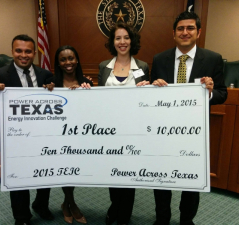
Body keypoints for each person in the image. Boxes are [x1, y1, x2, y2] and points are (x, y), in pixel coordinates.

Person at [151, 11, 228, 225]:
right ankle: (162, 219)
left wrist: (210, 91)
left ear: (198, 32)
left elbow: (223, 93)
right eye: (180, 29)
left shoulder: (213, 59)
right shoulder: (160, 59)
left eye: (190, 28)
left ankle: (186, 220)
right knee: (161, 179)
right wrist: (153, 87)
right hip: (164, 131)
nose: (185, 32)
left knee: (191, 182)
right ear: (173, 33)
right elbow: (151, 96)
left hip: (195, 133)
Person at [0, 34, 54, 225]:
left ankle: (41, 205)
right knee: (18, 179)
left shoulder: (45, 75)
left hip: (42, 137)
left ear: (34, 52)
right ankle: (22, 216)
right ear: (12, 51)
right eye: (19, 50)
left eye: (27, 51)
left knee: (45, 174)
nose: (23, 55)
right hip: (13, 139)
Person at [98, 22, 149, 225]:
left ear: (132, 40)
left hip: (133, 131)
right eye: (118, 38)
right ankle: (114, 207)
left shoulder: (143, 67)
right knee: (113, 174)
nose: (122, 42)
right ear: (113, 42)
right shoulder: (104, 67)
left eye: (126, 37)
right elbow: (98, 100)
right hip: (109, 132)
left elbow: (148, 101)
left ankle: (124, 215)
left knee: (129, 175)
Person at [45, 45, 92, 224]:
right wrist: (47, 91)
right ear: (58, 63)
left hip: (80, 134)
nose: (68, 63)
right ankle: (72, 205)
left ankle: (66, 203)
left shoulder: (87, 82)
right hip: (59, 136)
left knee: (74, 171)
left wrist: (83, 93)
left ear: (77, 59)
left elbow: (93, 108)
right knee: (65, 171)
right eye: (63, 59)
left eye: (71, 58)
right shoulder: (51, 83)